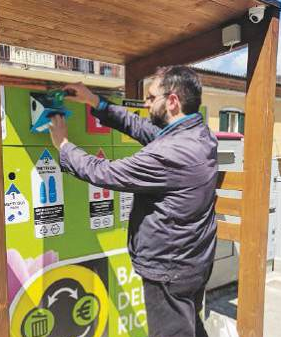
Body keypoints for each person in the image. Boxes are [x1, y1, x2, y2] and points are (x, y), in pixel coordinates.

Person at [49, 65, 218, 337]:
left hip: (168, 269)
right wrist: (95, 102)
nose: (146, 104)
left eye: (151, 98)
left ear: (172, 101)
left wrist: (64, 145)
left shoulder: (169, 153)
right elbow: (141, 128)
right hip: (194, 261)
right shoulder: (199, 134)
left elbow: (103, 171)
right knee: (189, 326)